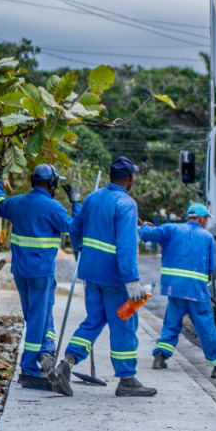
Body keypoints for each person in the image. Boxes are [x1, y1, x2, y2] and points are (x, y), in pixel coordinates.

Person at [48, 157, 156, 398]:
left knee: (94, 320)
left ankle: (66, 363)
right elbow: (126, 246)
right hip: (115, 278)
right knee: (123, 324)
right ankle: (127, 380)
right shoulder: (126, 204)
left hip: (91, 272)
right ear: (130, 178)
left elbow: (75, 229)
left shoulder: (92, 198)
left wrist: (81, 252)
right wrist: (131, 280)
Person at [0, 165, 82, 390]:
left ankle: (46, 350)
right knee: (37, 319)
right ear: (52, 184)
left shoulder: (17, 203)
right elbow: (76, 229)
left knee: (38, 314)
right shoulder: (53, 207)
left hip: (21, 272)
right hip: (41, 273)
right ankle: (29, 367)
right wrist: (76, 202)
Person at [138, 203, 216, 383]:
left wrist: (146, 226)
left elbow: (146, 234)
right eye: (206, 220)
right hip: (197, 291)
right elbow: (211, 267)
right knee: (206, 328)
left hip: (175, 289)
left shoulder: (171, 229)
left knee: (171, 324)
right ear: (202, 219)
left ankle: (160, 357)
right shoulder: (207, 237)